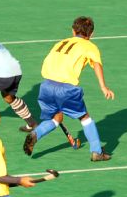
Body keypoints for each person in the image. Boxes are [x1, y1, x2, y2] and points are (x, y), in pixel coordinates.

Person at [23, 16, 114, 161]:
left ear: (73, 31)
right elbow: (97, 64)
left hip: (46, 85)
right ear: (91, 34)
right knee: (84, 117)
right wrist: (103, 86)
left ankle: (35, 134)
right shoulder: (90, 46)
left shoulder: (61, 43)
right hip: (66, 89)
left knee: (57, 117)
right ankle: (97, 152)